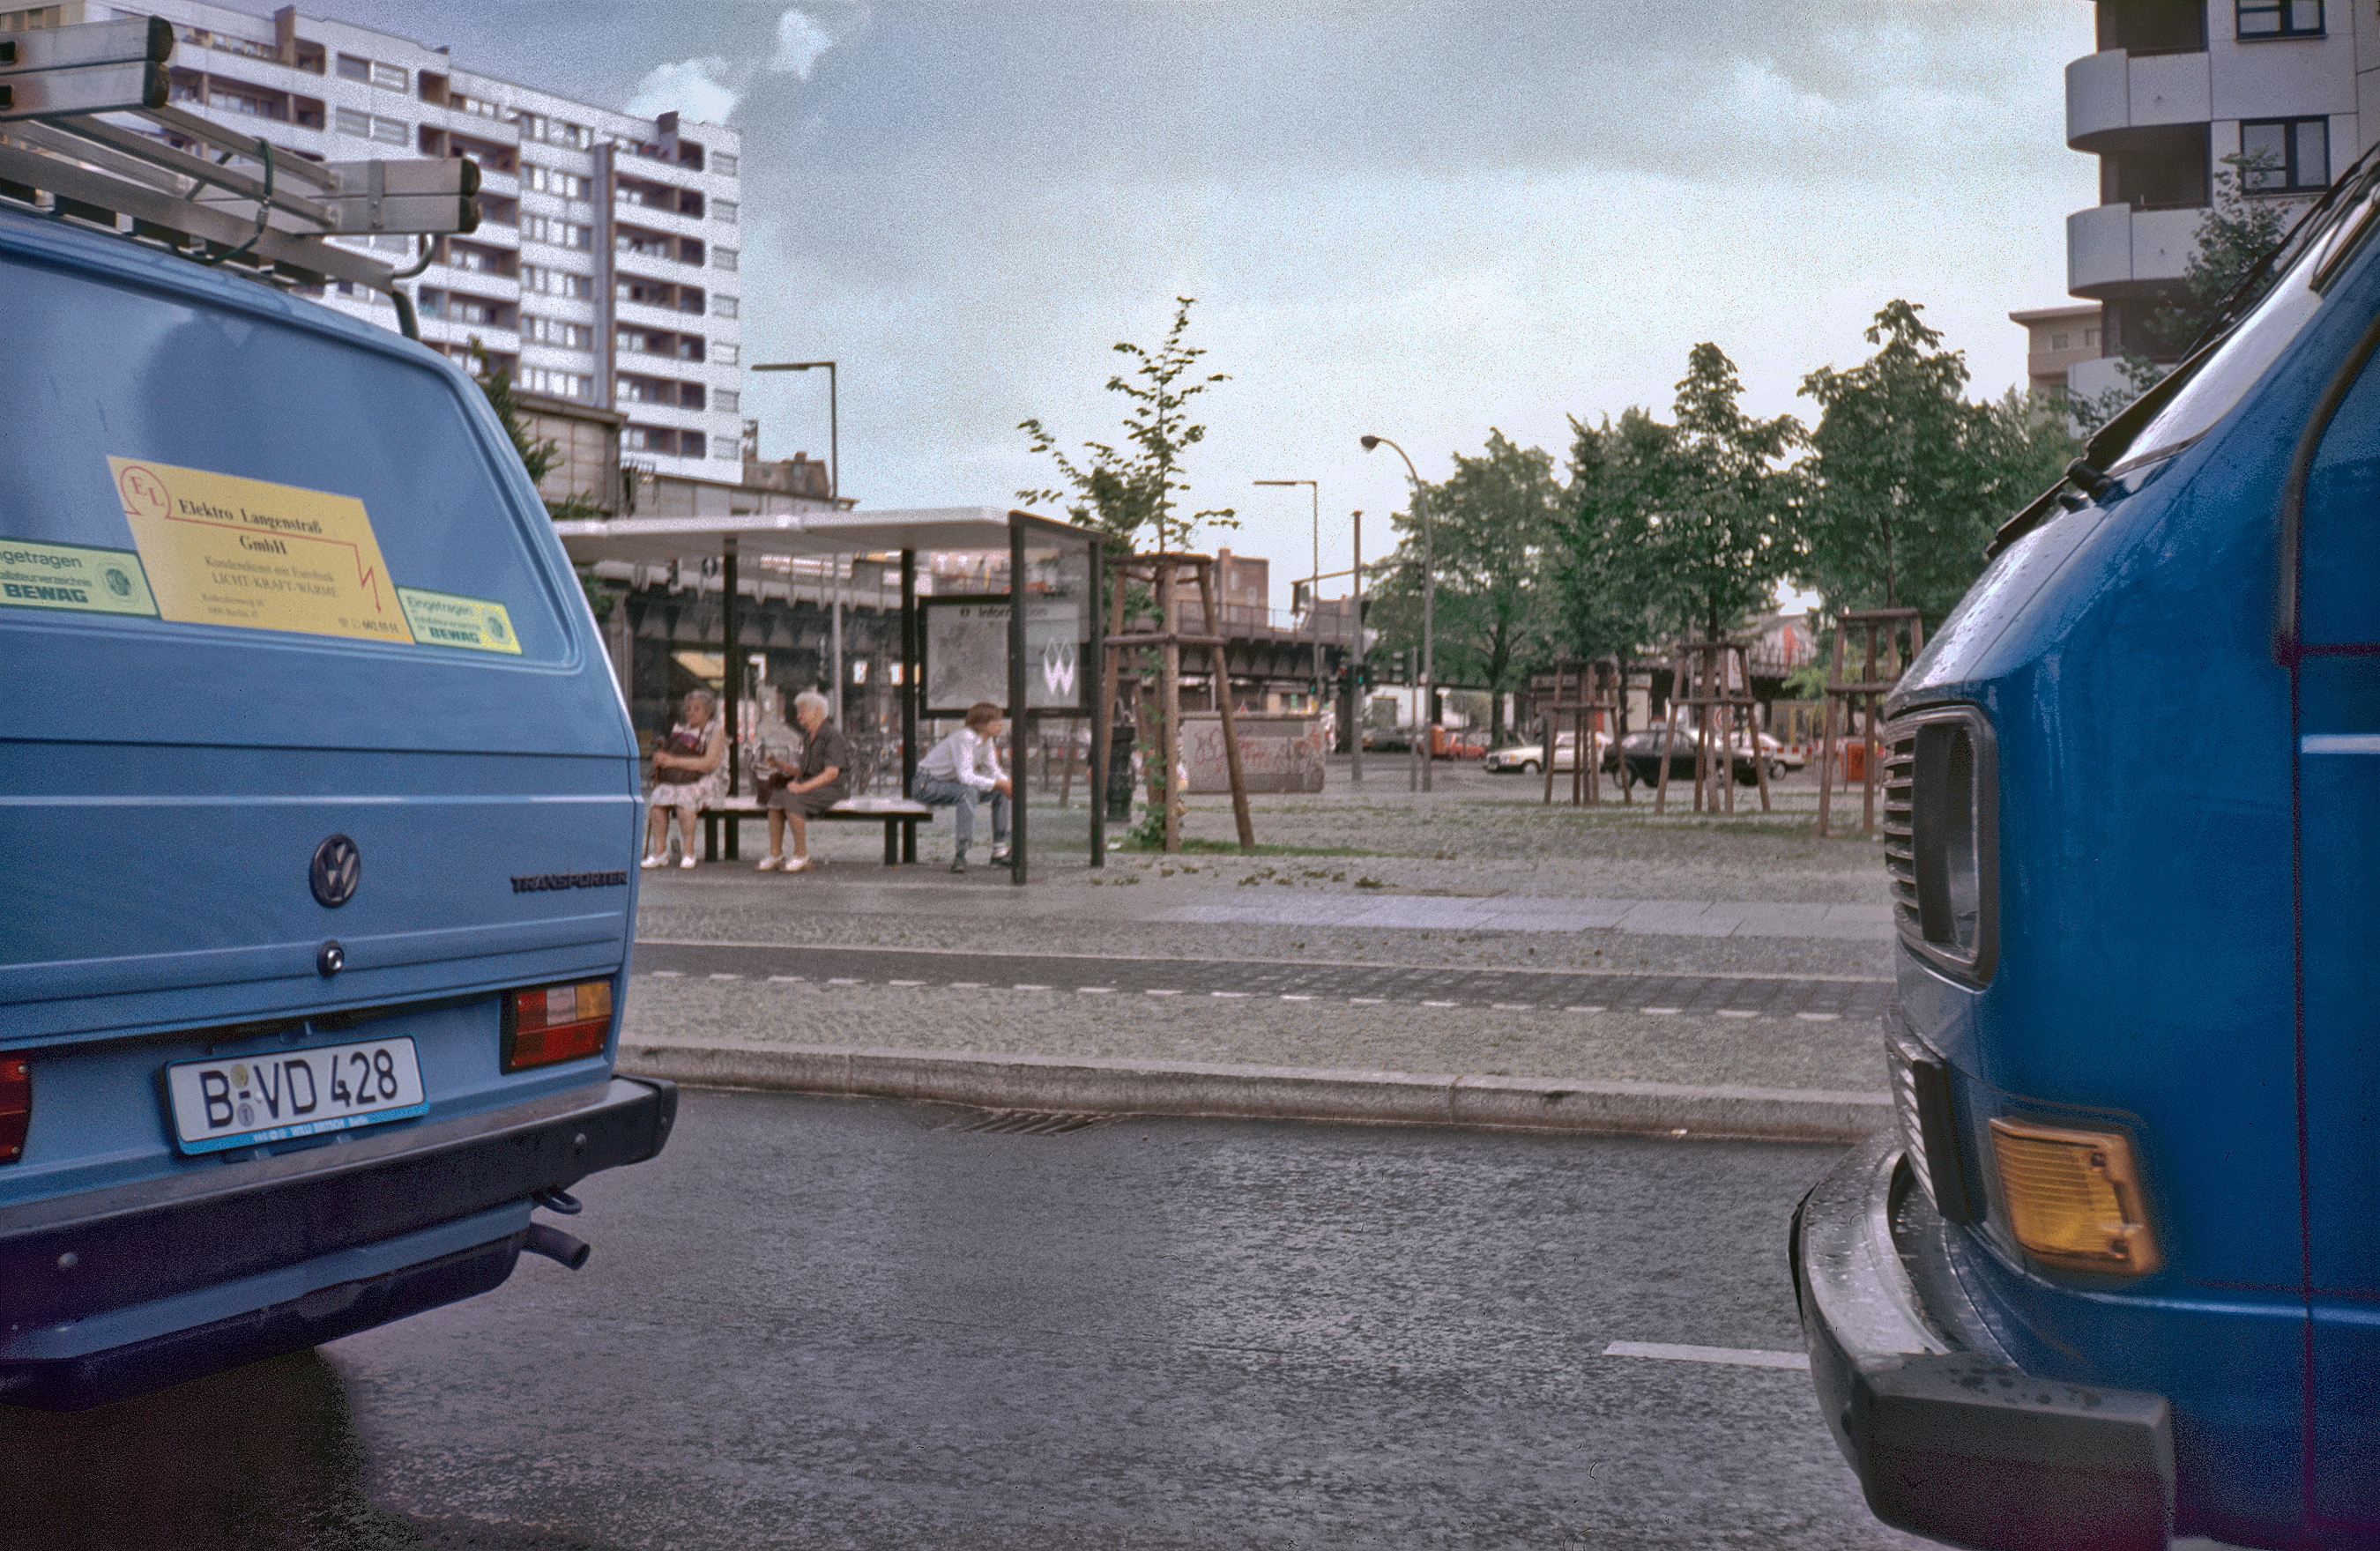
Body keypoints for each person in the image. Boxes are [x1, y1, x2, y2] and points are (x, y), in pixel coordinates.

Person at [755, 689, 851, 872]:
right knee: (775, 799)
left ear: (817, 711)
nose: (797, 716)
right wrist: (781, 765)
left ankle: (801, 854)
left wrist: (801, 788)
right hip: (815, 784)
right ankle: (775, 853)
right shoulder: (808, 737)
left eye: (802, 711)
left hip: (833, 787)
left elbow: (831, 773)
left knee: (792, 800)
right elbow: (805, 771)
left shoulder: (831, 736)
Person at [914, 701, 1012, 873]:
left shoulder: (987, 739)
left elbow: (994, 770)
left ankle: (999, 851)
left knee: (999, 792)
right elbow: (966, 777)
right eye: (995, 720)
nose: (1001, 724)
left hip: (951, 784)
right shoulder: (964, 737)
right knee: (969, 792)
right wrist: (1000, 783)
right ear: (982, 722)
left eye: (1000, 719)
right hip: (926, 784)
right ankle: (961, 854)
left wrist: (1008, 784)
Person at [642, 689, 725, 869]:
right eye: (688, 709)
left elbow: (708, 764)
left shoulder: (716, 731)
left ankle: (688, 852)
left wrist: (674, 761)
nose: (691, 713)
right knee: (658, 799)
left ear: (709, 711)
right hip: (681, 778)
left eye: (697, 709)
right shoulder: (682, 729)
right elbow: (671, 754)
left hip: (708, 778)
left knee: (684, 799)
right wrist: (662, 758)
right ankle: (659, 852)